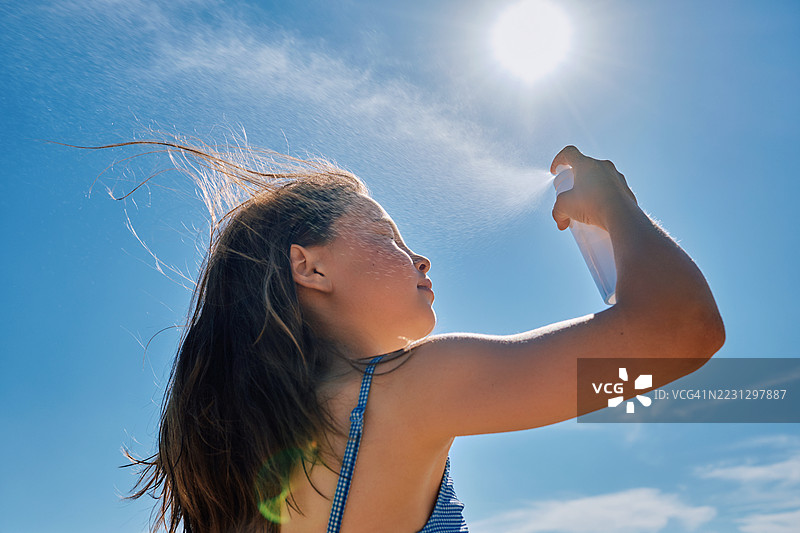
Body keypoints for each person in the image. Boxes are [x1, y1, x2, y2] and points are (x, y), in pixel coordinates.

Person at [108, 140, 725, 533]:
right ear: (311, 268)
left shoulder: (244, 465)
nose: (419, 257)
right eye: (387, 237)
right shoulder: (410, 390)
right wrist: (616, 203)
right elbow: (680, 332)